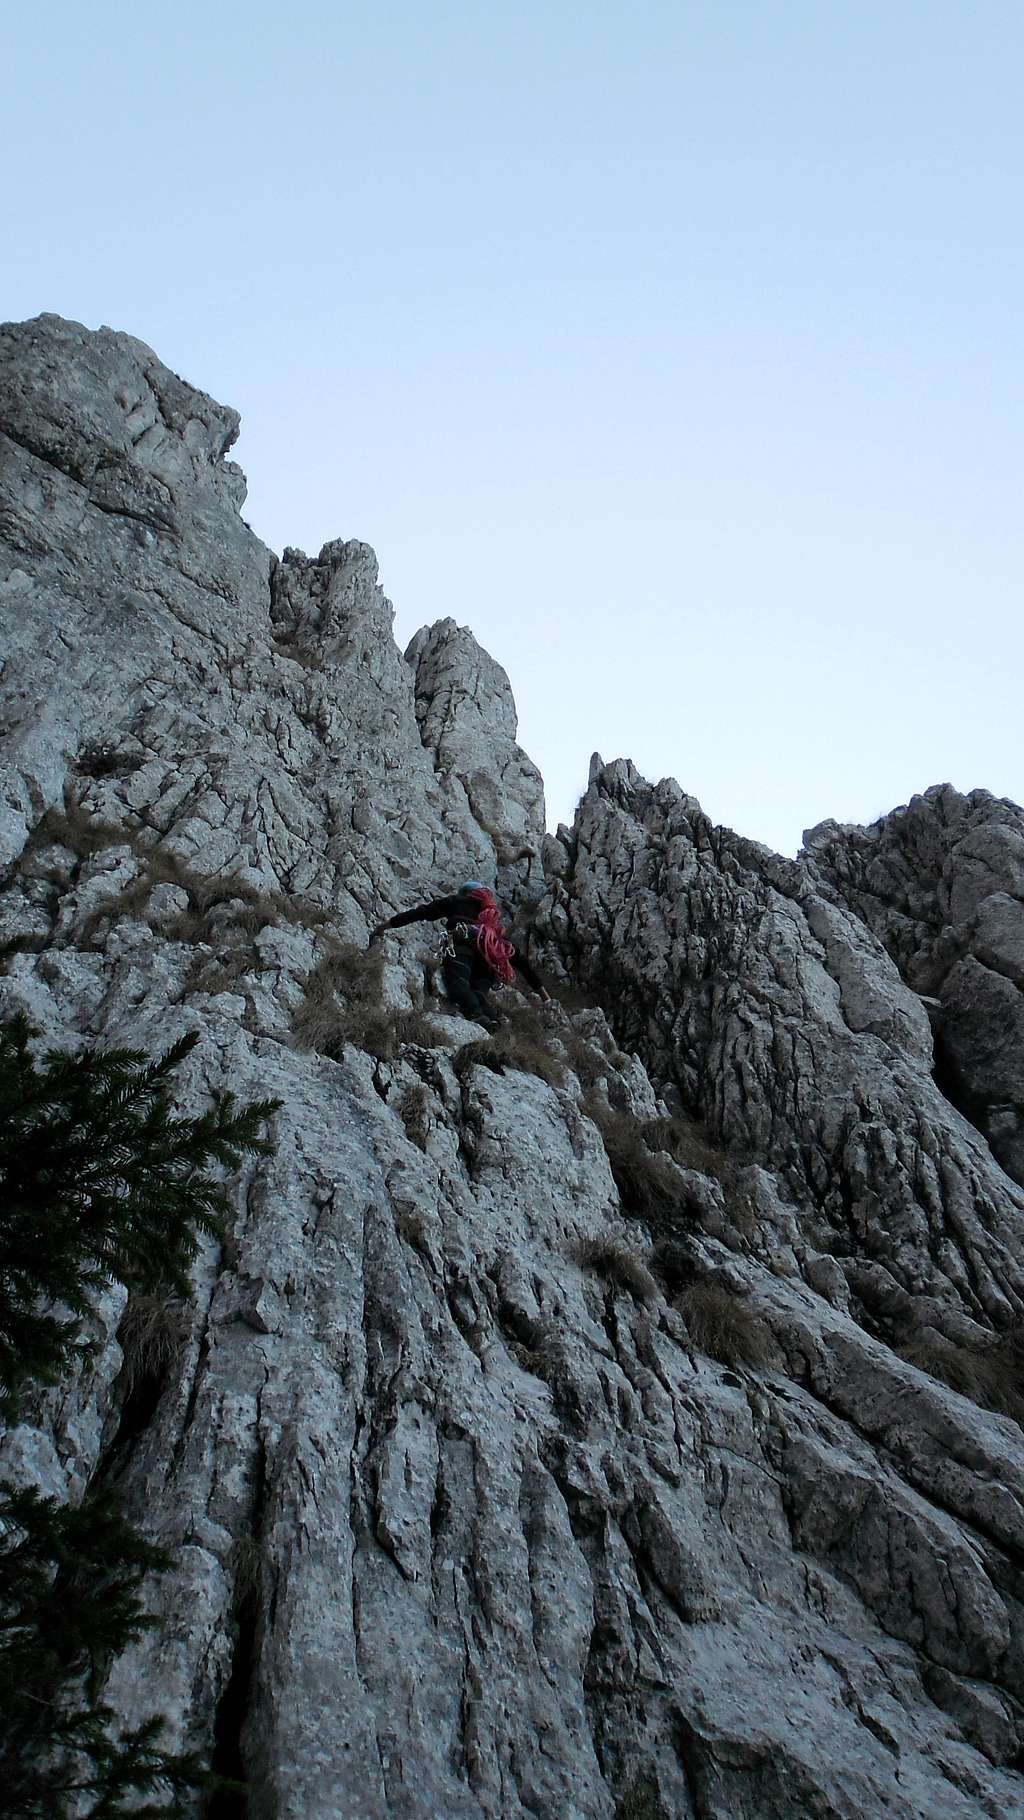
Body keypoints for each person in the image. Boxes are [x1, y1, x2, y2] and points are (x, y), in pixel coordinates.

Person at [371, 882, 548, 1030]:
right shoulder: (492, 927)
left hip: (463, 948)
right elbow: (521, 961)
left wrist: (385, 926)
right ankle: (495, 1025)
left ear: (465, 893)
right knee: (479, 993)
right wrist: (545, 996)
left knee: (459, 985)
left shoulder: (457, 901)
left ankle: (478, 1017)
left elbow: (422, 912)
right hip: (488, 960)